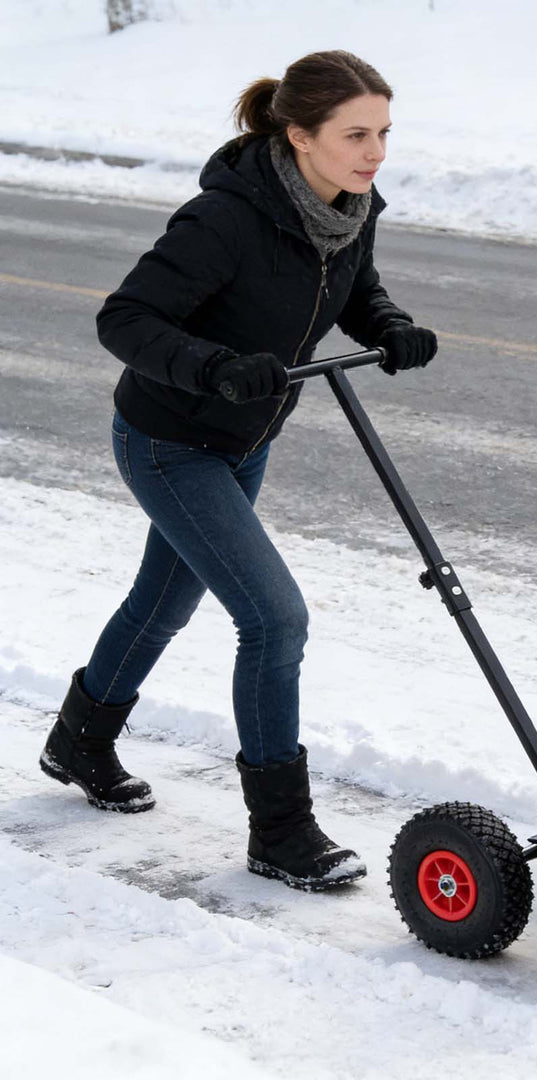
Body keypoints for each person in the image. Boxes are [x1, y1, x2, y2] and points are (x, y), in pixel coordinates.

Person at [39, 50, 437, 891]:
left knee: (163, 600)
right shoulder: (224, 219)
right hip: (169, 439)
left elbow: (355, 284)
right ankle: (280, 832)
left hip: (245, 439)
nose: (375, 153)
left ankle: (78, 741)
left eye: (384, 133)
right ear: (299, 135)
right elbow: (125, 319)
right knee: (275, 619)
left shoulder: (351, 207)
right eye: (356, 134)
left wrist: (390, 323)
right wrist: (215, 365)